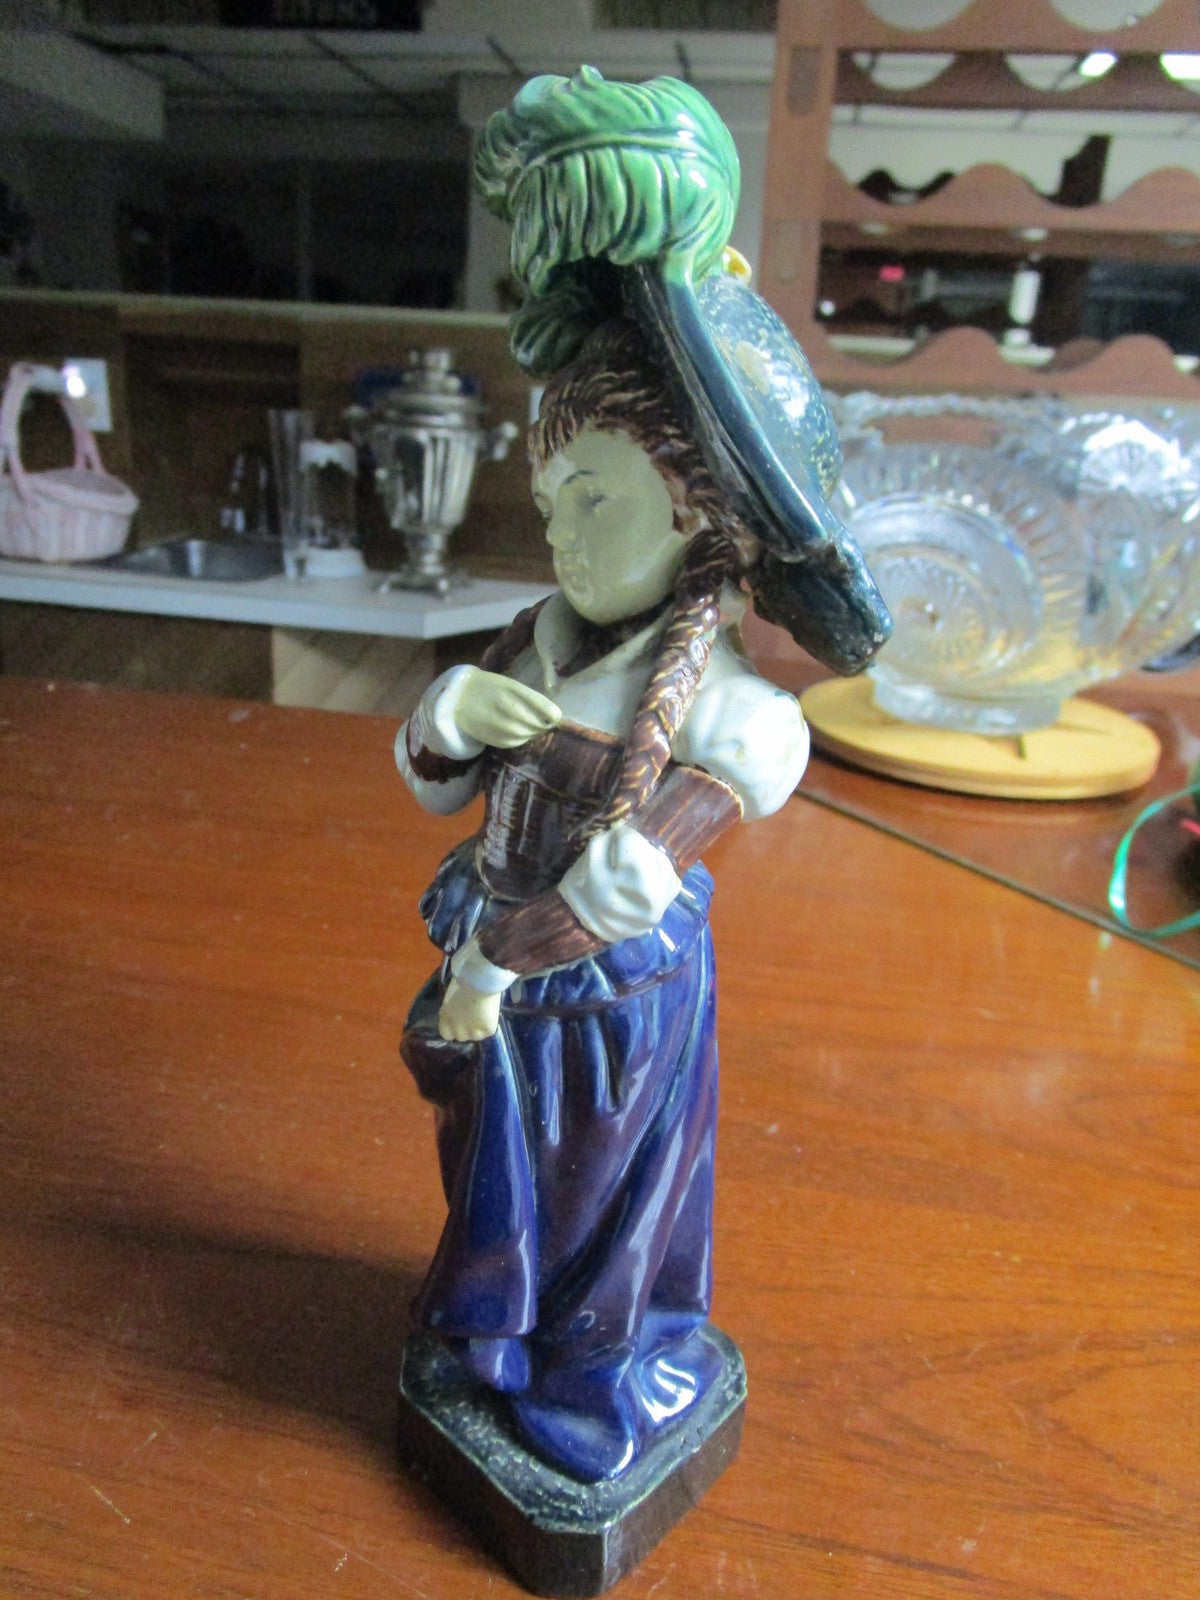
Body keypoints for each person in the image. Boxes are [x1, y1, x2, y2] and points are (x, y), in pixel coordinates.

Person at [396, 318, 809, 1483]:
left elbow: (620, 889)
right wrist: (450, 713)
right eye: (550, 506)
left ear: (691, 511)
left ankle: (588, 1376)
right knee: (495, 1171)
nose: (563, 535)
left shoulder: (731, 714)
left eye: (594, 500)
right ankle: (499, 1336)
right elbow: (435, 791)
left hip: (602, 1004)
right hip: (496, 959)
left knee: (594, 1191)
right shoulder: (530, 643)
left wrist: (488, 966)